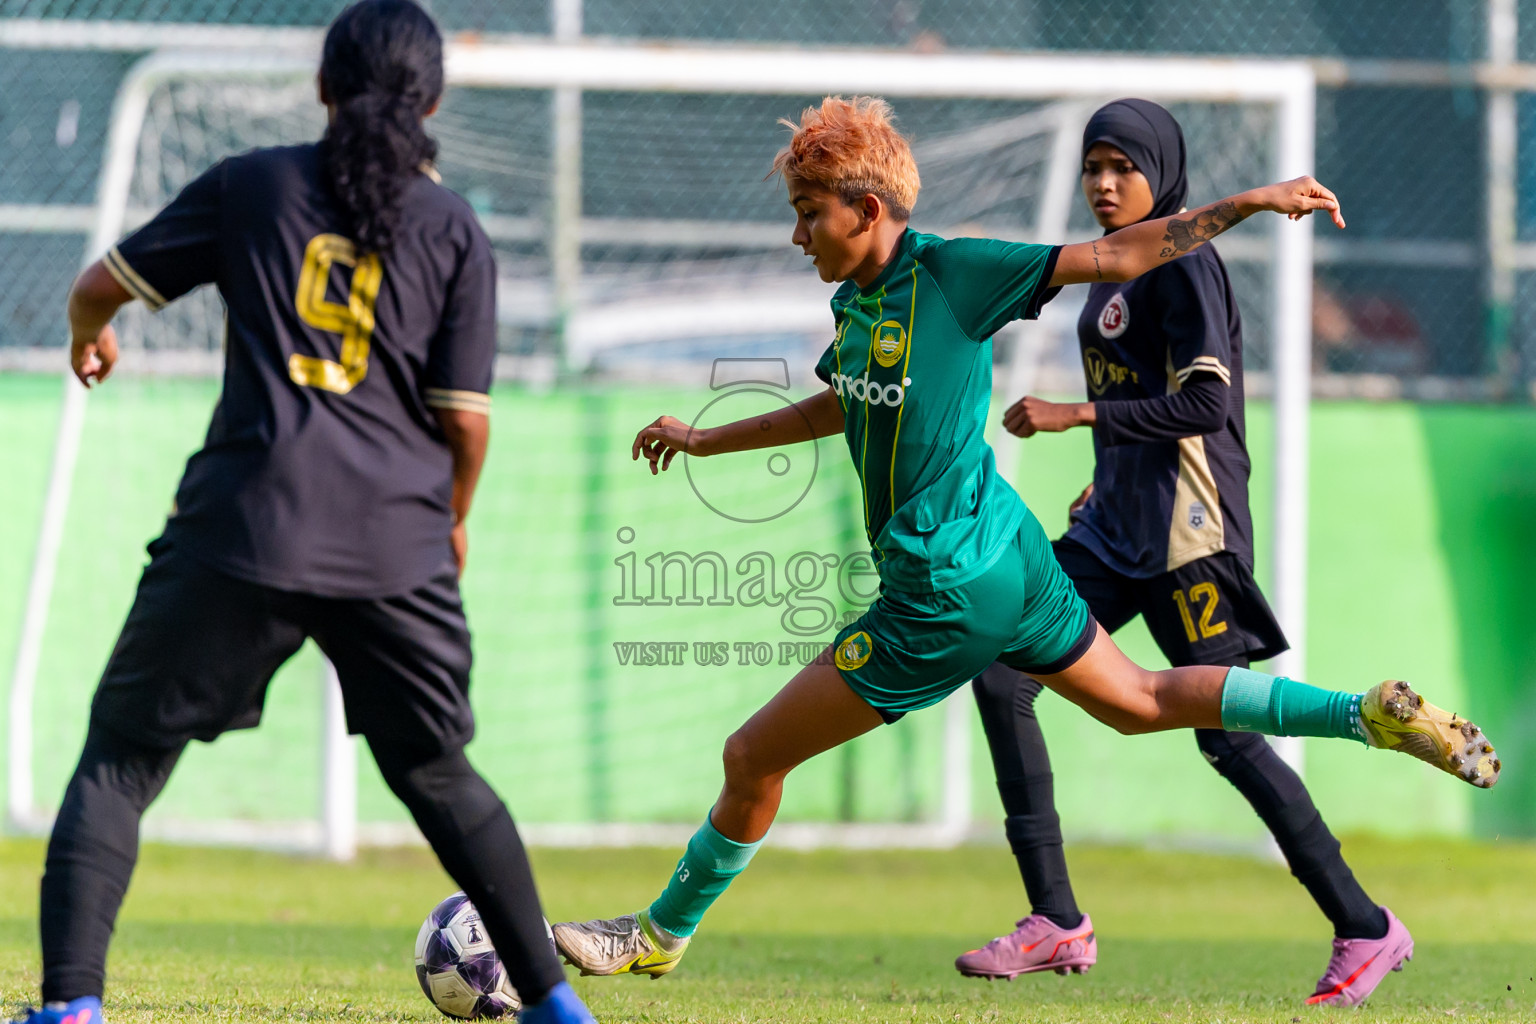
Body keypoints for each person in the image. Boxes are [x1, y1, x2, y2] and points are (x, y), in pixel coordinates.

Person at [550, 95, 1498, 983]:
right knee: (1138, 699)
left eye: (808, 213)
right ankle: (1361, 715)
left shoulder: (957, 271)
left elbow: (1123, 259)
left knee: (752, 757)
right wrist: (707, 438)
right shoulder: (857, 304)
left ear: (867, 207)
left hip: (941, 589)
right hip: (1011, 557)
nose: (797, 235)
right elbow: (842, 405)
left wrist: (1251, 200)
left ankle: (658, 936)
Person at [15, 4, 593, 1023]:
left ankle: (70, 1008)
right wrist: (451, 519)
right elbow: (467, 428)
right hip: (394, 545)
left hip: (245, 526)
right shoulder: (457, 229)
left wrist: (87, 331)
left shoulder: (254, 185)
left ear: (323, 89)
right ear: (435, 100)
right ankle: (558, 1009)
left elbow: (101, 283)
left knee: (121, 757)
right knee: (438, 773)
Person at [952, 99, 1408, 1006]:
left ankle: (1364, 926)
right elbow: (1141, 396)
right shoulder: (1110, 274)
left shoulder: (1187, 266)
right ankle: (1056, 920)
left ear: (1162, 170)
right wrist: (1104, 468)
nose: (1104, 183)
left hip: (1185, 536)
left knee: (1228, 741)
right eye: (1094, 168)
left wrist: (1078, 415)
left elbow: (1205, 408)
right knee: (1003, 669)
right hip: (1114, 527)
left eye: (1123, 166)